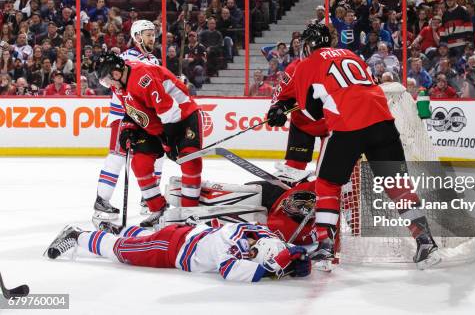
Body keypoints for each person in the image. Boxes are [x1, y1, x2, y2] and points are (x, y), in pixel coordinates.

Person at [266, 24, 441, 269]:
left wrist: (284, 111)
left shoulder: (307, 64)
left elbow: (310, 113)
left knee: (327, 183)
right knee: (398, 185)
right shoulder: (351, 55)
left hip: (349, 126)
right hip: (383, 122)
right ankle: (425, 242)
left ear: (308, 46)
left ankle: (325, 247)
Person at [94, 52, 204, 228]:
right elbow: (132, 109)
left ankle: (190, 213)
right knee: (140, 163)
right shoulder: (119, 84)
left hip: (183, 116)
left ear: (115, 73)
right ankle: (158, 210)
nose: (108, 85)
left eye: (107, 80)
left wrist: (169, 143)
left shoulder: (143, 78)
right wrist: (129, 128)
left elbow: (169, 111)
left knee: (190, 160)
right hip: (157, 121)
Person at [44, 222, 311, 282]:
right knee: (122, 251)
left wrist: (292, 255)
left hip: (182, 233)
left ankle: (120, 227)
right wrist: (273, 269)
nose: (251, 256)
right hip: (170, 249)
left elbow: (271, 248)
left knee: (144, 237)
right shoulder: (230, 245)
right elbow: (229, 271)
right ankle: (77, 235)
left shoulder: (259, 234)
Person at [93, 20, 165, 223]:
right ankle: (101, 200)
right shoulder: (125, 57)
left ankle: (149, 199)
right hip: (123, 115)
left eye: (153, 34)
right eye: (148, 34)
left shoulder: (154, 60)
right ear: (137, 36)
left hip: (149, 117)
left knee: (157, 156)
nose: (152, 37)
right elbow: (105, 80)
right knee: (117, 155)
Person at [267, 57, 328, 185]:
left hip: (332, 125)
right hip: (302, 123)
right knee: (294, 167)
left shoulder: (338, 61)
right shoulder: (296, 67)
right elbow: (283, 95)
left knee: (329, 171)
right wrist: (278, 108)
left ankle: (330, 198)